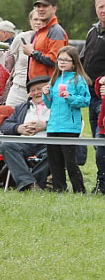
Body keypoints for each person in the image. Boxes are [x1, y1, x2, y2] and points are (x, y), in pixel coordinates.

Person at [42, 45, 91, 193]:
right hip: (53, 126)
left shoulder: (78, 79)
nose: (62, 62)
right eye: (60, 59)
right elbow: (49, 104)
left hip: (70, 126)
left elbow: (86, 100)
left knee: (70, 161)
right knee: (55, 161)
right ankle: (59, 188)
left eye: (66, 60)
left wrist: (71, 97)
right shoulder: (55, 79)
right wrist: (46, 94)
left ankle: (79, 189)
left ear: (74, 63)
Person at [0, 75, 51, 191]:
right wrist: (19, 128)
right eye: (32, 90)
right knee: (7, 146)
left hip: (48, 142)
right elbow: (5, 126)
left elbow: (70, 123)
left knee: (56, 150)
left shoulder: (58, 106)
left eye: (40, 89)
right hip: (25, 143)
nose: (36, 93)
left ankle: (31, 183)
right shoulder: (22, 107)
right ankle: (30, 184)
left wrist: (46, 125)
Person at [81, 0, 105, 193]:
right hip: (90, 97)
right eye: (100, 7)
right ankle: (101, 182)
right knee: (98, 145)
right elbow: (83, 60)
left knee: (102, 143)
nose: (103, 10)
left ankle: (103, 185)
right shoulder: (92, 32)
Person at [1, 11, 45, 106]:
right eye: (35, 19)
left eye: (41, 20)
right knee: (9, 116)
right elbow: (11, 57)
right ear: (30, 21)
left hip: (40, 90)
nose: (38, 22)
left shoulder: (50, 39)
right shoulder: (21, 37)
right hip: (19, 87)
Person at [24, 0, 68, 80]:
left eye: (45, 6)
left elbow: (55, 60)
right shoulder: (41, 31)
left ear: (54, 9)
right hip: (37, 86)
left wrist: (32, 53)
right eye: (38, 6)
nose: (41, 9)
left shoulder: (56, 31)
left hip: (49, 86)